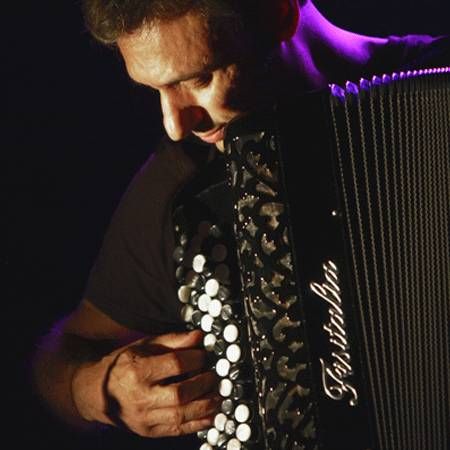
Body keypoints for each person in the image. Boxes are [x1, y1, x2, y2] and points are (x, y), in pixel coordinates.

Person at [32, 0, 448, 447]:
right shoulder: (189, 186)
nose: (175, 124)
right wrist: (97, 389)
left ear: (279, 14)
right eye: (155, 89)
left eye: (198, 78)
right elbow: (60, 353)